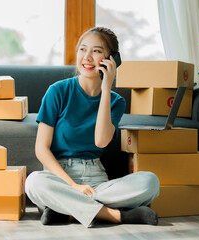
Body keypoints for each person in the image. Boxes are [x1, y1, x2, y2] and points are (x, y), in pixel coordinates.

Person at [25, 27, 160, 228]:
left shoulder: (116, 101)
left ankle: (66, 211)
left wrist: (106, 89)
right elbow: (41, 149)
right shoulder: (57, 91)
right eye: (82, 49)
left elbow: (100, 141)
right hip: (60, 177)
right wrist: (73, 186)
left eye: (96, 51)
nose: (87, 57)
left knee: (151, 182)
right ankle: (114, 215)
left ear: (112, 59)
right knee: (34, 182)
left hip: (96, 180)